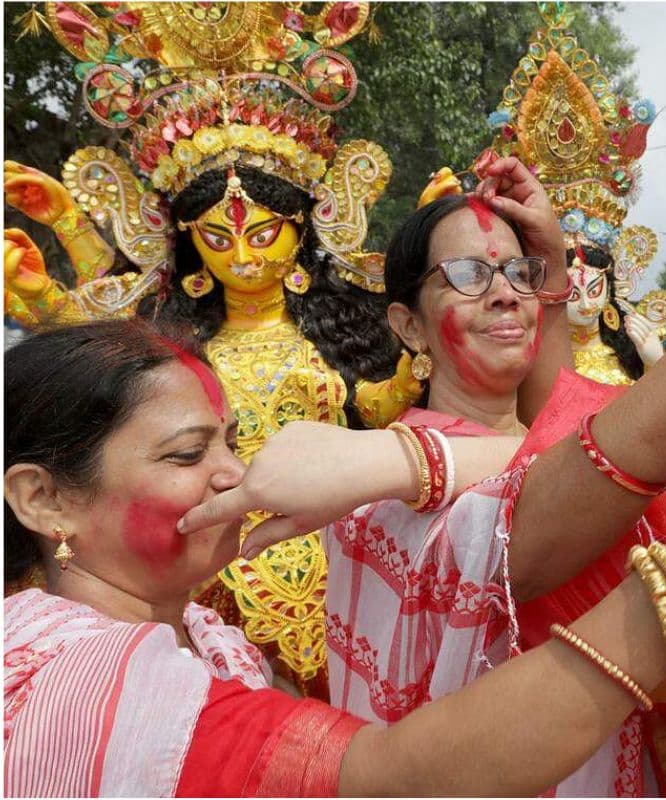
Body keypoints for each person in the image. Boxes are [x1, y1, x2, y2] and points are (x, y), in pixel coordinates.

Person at [4, 248, 666, 797]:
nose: (230, 475)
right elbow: (399, 774)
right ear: (41, 498)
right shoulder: (71, 678)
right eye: (183, 457)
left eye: (521, 269)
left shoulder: (206, 631)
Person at [174, 139, 666, 795]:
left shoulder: (390, 464)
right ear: (407, 324)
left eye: (520, 276)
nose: (507, 297)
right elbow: (543, 511)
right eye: (471, 277)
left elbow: (577, 447)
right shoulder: (380, 506)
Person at [0, 3, 432, 696]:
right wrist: (57, 287)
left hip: (336, 566)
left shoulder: (339, 332)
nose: (242, 254)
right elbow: (75, 399)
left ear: (303, 231)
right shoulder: (172, 353)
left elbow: (379, 408)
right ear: (186, 241)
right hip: (196, 574)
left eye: (264, 235)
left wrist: (427, 343)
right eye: (217, 236)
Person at [483, 7, 666, 385]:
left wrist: (656, 364)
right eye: (573, 291)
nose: (587, 303)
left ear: (610, 288)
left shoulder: (625, 356)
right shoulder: (526, 356)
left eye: (594, 288)